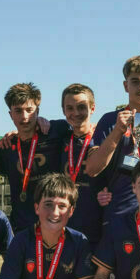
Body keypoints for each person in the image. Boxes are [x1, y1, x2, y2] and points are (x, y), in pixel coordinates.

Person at [85, 55, 140, 226]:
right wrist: (117, 131)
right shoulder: (110, 120)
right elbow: (92, 169)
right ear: (126, 85)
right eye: (135, 81)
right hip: (118, 214)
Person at [0, 173, 93, 279]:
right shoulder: (21, 241)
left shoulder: (79, 241)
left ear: (71, 211)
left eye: (62, 206)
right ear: (37, 208)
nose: (55, 213)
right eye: (48, 204)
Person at [0, 83, 64, 232]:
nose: (25, 116)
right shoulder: (6, 146)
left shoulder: (56, 131)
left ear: (38, 111)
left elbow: (83, 130)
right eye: (18, 111)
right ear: (10, 114)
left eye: (29, 110)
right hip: (22, 228)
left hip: (55, 224)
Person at [57, 84, 106, 245]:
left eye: (81, 107)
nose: (76, 113)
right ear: (63, 111)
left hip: (97, 225)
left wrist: (109, 191)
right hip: (65, 224)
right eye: (70, 108)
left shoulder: (104, 140)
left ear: (92, 109)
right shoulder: (59, 138)